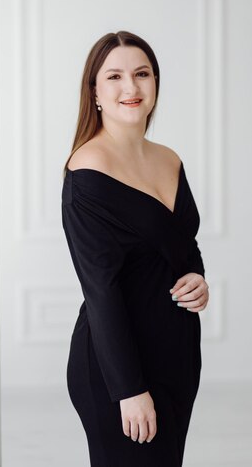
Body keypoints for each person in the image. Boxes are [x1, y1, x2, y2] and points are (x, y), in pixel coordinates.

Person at [61, 30, 210, 466]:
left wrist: (197, 278)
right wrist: (128, 389)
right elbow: (100, 291)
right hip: (119, 369)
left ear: (156, 83)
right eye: (115, 76)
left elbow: (183, 245)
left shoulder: (169, 159)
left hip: (178, 355)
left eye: (142, 74)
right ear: (96, 92)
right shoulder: (87, 172)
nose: (131, 87)